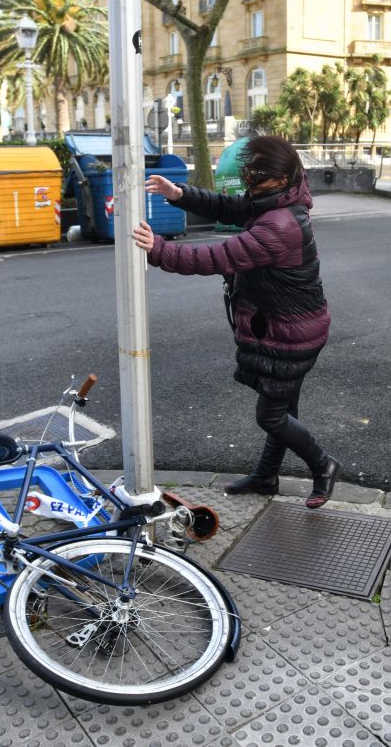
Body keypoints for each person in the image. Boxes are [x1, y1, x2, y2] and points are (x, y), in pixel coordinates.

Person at [131, 135, 341, 508]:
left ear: (282, 176)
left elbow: (218, 257)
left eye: (258, 173)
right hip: (289, 324)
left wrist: (159, 250)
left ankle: (323, 465)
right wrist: (178, 193)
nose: (249, 179)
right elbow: (229, 207)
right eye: (250, 170)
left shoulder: (280, 225)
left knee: (271, 414)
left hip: (294, 331)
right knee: (282, 405)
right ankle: (266, 476)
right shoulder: (276, 201)